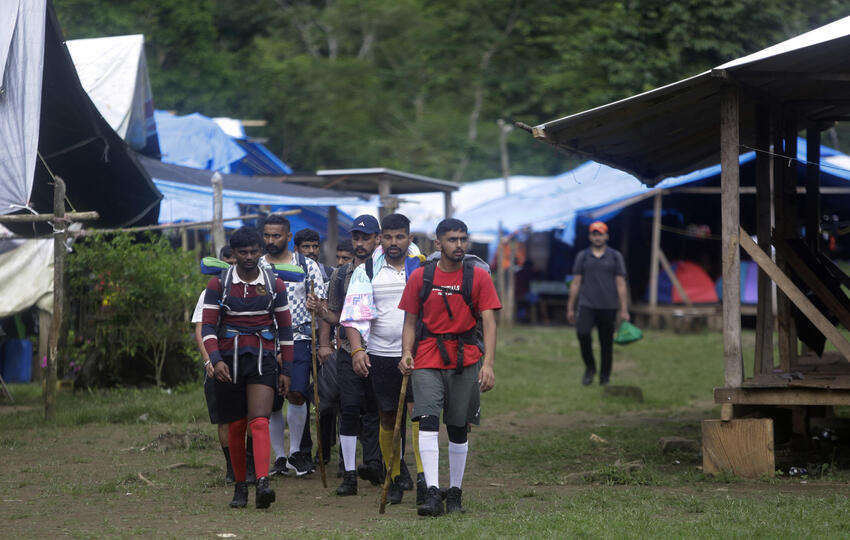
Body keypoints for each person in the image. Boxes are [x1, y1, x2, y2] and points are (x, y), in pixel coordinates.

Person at [398, 218, 501, 516]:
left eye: (463, 239)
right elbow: (410, 321)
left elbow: (490, 322)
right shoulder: (421, 276)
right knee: (427, 420)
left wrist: (489, 364)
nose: (459, 245)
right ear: (438, 243)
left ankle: (454, 493)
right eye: (453, 240)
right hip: (427, 356)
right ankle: (432, 492)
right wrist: (406, 352)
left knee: (458, 427)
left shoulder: (479, 276)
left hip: (466, 356)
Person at [201, 227, 293, 509]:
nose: (250, 257)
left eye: (254, 252)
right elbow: (207, 327)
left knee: (259, 420)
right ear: (235, 253)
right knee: (237, 424)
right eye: (243, 253)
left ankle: (263, 483)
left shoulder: (275, 284)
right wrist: (215, 361)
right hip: (228, 362)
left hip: (263, 359)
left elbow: (286, 329)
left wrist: (287, 370)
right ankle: (240, 487)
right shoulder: (219, 284)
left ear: (260, 252)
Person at [341, 213, 424, 505]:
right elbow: (352, 316)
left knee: (420, 413)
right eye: (387, 237)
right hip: (380, 354)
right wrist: (357, 350)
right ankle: (396, 474)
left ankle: (425, 479)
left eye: (399, 236)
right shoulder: (368, 270)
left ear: (409, 238)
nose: (393, 242)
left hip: (419, 353)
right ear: (380, 239)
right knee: (388, 416)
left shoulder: (422, 268)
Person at [316, 215, 384, 496]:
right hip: (347, 349)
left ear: (377, 239)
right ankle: (349, 474)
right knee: (350, 410)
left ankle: (375, 464)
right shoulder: (341, 274)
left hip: (380, 351)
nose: (359, 242)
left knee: (377, 410)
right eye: (356, 237)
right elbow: (335, 315)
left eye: (365, 237)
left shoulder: (386, 272)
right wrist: (320, 312)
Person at [260, 215, 327, 477]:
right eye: (267, 235)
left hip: (298, 337)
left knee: (297, 393)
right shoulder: (257, 266)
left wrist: (316, 305)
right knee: (271, 401)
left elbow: (322, 307)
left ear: (289, 237)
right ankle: (279, 457)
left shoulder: (307, 266)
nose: (270, 241)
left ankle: (296, 451)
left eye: (276, 236)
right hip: (264, 338)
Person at [192, 246, 246, 484]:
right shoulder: (209, 292)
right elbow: (201, 328)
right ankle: (231, 467)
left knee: (251, 417)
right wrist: (209, 361)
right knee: (224, 419)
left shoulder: (253, 288)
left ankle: (250, 465)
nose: (231, 266)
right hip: (218, 361)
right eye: (228, 261)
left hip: (247, 361)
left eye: (236, 261)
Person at [566, 221, 630, 386]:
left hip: (609, 306)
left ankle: (604, 377)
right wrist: (570, 307)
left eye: (600, 234)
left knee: (606, 342)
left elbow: (621, 284)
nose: (597, 237)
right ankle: (590, 368)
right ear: (590, 237)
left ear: (606, 236)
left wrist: (624, 309)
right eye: (594, 234)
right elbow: (576, 282)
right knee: (583, 334)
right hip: (587, 304)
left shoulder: (615, 257)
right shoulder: (583, 256)